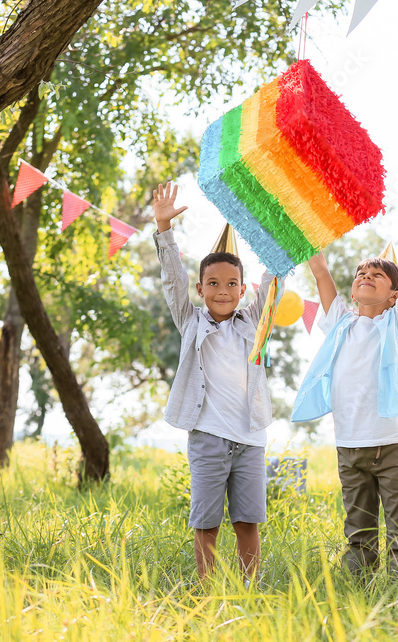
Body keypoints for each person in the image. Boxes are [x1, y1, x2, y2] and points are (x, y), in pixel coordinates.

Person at [292, 192, 398, 578]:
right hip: (350, 447)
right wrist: (306, 224)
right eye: (361, 273)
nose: (365, 277)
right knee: (358, 535)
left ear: (394, 296)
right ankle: (357, 595)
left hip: (391, 445)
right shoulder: (340, 322)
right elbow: (321, 271)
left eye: (377, 275)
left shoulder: (396, 324)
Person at [152, 180, 278, 583]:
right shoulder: (191, 322)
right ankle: (207, 588)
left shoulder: (256, 323)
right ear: (201, 288)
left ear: (243, 290)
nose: (222, 291)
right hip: (207, 436)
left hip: (250, 439)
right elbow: (172, 281)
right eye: (213, 284)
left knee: (248, 520)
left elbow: (275, 276)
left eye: (230, 285)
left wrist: (271, 226)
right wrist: (164, 229)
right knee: (206, 521)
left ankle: (247, 588)